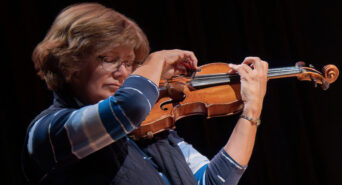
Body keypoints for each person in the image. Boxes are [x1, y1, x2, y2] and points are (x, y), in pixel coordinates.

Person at [22, 2, 268, 185]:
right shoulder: (48, 132)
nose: (123, 72)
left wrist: (251, 110)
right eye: (110, 59)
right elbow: (130, 106)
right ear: (71, 63)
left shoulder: (149, 132)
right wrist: (156, 60)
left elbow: (214, 181)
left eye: (129, 63)